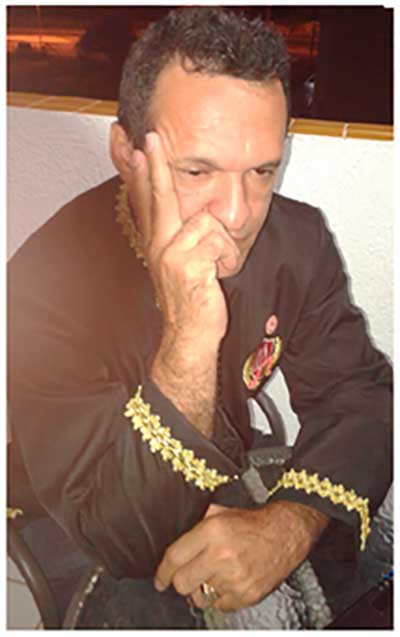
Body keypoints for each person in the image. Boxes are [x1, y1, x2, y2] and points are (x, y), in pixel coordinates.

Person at [8, 7, 392, 629]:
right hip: (76, 518)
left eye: (261, 171)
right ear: (126, 153)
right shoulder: (42, 285)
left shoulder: (297, 240)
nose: (238, 214)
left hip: (229, 469)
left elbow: (360, 393)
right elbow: (122, 538)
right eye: (197, 170)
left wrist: (289, 525)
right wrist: (189, 336)